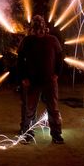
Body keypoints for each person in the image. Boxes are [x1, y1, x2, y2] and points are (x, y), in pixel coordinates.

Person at [17, 15, 64, 144]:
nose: (39, 30)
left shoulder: (53, 40)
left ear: (44, 27)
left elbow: (60, 57)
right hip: (32, 81)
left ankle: (56, 134)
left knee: (53, 109)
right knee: (29, 109)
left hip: (49, 80)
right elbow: (20, 60)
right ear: (33, 28)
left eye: (40, 27)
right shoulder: (27, 41)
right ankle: (27, 133)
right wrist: (24, 77)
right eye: (36, 27)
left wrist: (56, 74)